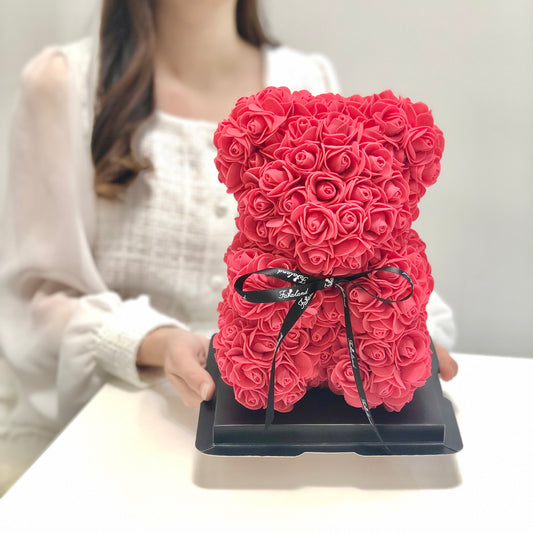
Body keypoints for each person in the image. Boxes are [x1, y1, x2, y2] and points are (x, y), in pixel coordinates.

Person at [0, 0, 457, 490]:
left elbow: (370, 247)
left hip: (295, 449)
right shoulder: (64, 84)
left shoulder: (308, 75)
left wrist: (394, 326)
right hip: (120, 427)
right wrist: (153, 342)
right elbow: (36, 297)